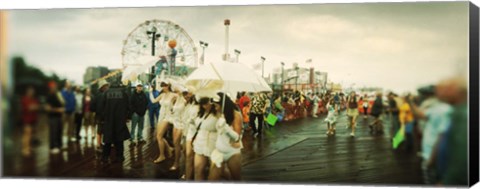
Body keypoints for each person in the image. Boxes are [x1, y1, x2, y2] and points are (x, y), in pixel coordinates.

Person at [407, 85, 452, 184]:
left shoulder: (442, 109)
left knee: (434, 181)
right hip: (430, 152)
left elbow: (442, 137)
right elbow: (421, 115)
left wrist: (431, 159)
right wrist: (410, 102)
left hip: (434, 155)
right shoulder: (439, 107)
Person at [209, 92, 243, 181]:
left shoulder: (236, 115)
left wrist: (226, 128)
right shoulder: (218, 112)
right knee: (212, 180)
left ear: (222, 104)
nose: (214, 106)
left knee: (236, 179)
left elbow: (236, 138)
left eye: (216, 104)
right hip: (219, 152)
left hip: (232, 152)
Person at [99, 81, 131, 163]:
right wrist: (127, 117)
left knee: (108, 139)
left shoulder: (106, 93)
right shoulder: (123, 93)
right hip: (120, 119)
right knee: (119, 139)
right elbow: (128, 106)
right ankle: (120, 156)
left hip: (108, 119)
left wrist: (102, 118)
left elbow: (101, 107)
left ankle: (105, 156)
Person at [192, 94, 219, 180]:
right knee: (198, 170)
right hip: (200, 142)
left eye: (207, 103)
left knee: (215, 174)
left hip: (214, 145)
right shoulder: (200, 113)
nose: (205, 106)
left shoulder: (218, 113)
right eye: (202, 104)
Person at [149, 81, 176, 163]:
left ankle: (162, 156)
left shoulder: (174, 95)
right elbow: (153, 101)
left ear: (169, 85)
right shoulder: (162, 95)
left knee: (159, 136)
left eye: (165, 85)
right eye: (162, 85)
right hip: (161, 116)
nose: (164, 87)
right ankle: (169, 148)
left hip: (167, 117)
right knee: (159, 136)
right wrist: (150, 92)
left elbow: (182, 102)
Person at [181, 89, 198, 180]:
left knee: (190, 155)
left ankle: (190, 173)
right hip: (186, 132)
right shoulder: (188, 104)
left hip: (195, 133)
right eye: (185, 94)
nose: (187, 95)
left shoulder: (198, 104)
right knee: (185, 152)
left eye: (188, 93)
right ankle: (189, 173)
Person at [45, 81, 65, 154]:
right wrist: (58, 110)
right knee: (53, 132)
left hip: (59, 117)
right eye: (53, 87)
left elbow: (63, 103)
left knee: (59, 131)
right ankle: (52, 147)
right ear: (50, 88)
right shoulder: (49, 96)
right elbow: (48, 108)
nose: (55, 88)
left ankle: (59, 145)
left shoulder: (57, 95)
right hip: (52, 117)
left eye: (55, 87)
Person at [91, 79, 109, 151]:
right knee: (100, 130)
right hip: (101, 115)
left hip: (100, 115)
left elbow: (92, 106)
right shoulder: (101, 95)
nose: (107, 87)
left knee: (101, 130)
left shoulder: (98, 94)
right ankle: (98, 145)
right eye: (106, 85)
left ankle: (100, 143)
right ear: (102, 87)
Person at [20, 86, 39, 156]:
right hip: (26, 119)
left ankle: (29, 147)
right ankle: (24, 149)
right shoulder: (24, 99)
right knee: (26, 134)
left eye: (32, 91)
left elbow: (36, 107)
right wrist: (34, 107)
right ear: (27, 92)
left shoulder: (34, 99)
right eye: (30, 91)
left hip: (33, 119)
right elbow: (29, 108)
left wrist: (34, 107)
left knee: (31, 134)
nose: (32, 92)